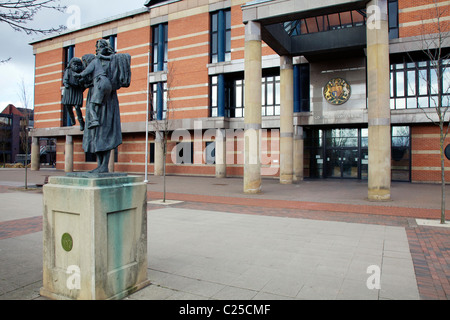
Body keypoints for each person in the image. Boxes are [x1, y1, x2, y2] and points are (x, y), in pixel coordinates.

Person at [62, 57, 85, 131]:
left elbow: (84, 82)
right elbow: (65, 79)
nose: (76, 66)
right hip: (69, 90)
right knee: (68, 106)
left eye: (78, 65)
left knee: (77, 107)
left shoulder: (81, 72)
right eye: (75, 64)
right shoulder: (68, 71)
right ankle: (72, 119)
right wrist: (66, 84)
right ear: (71, 64)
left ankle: (81, 122)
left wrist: (82, 85)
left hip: (77, 91)